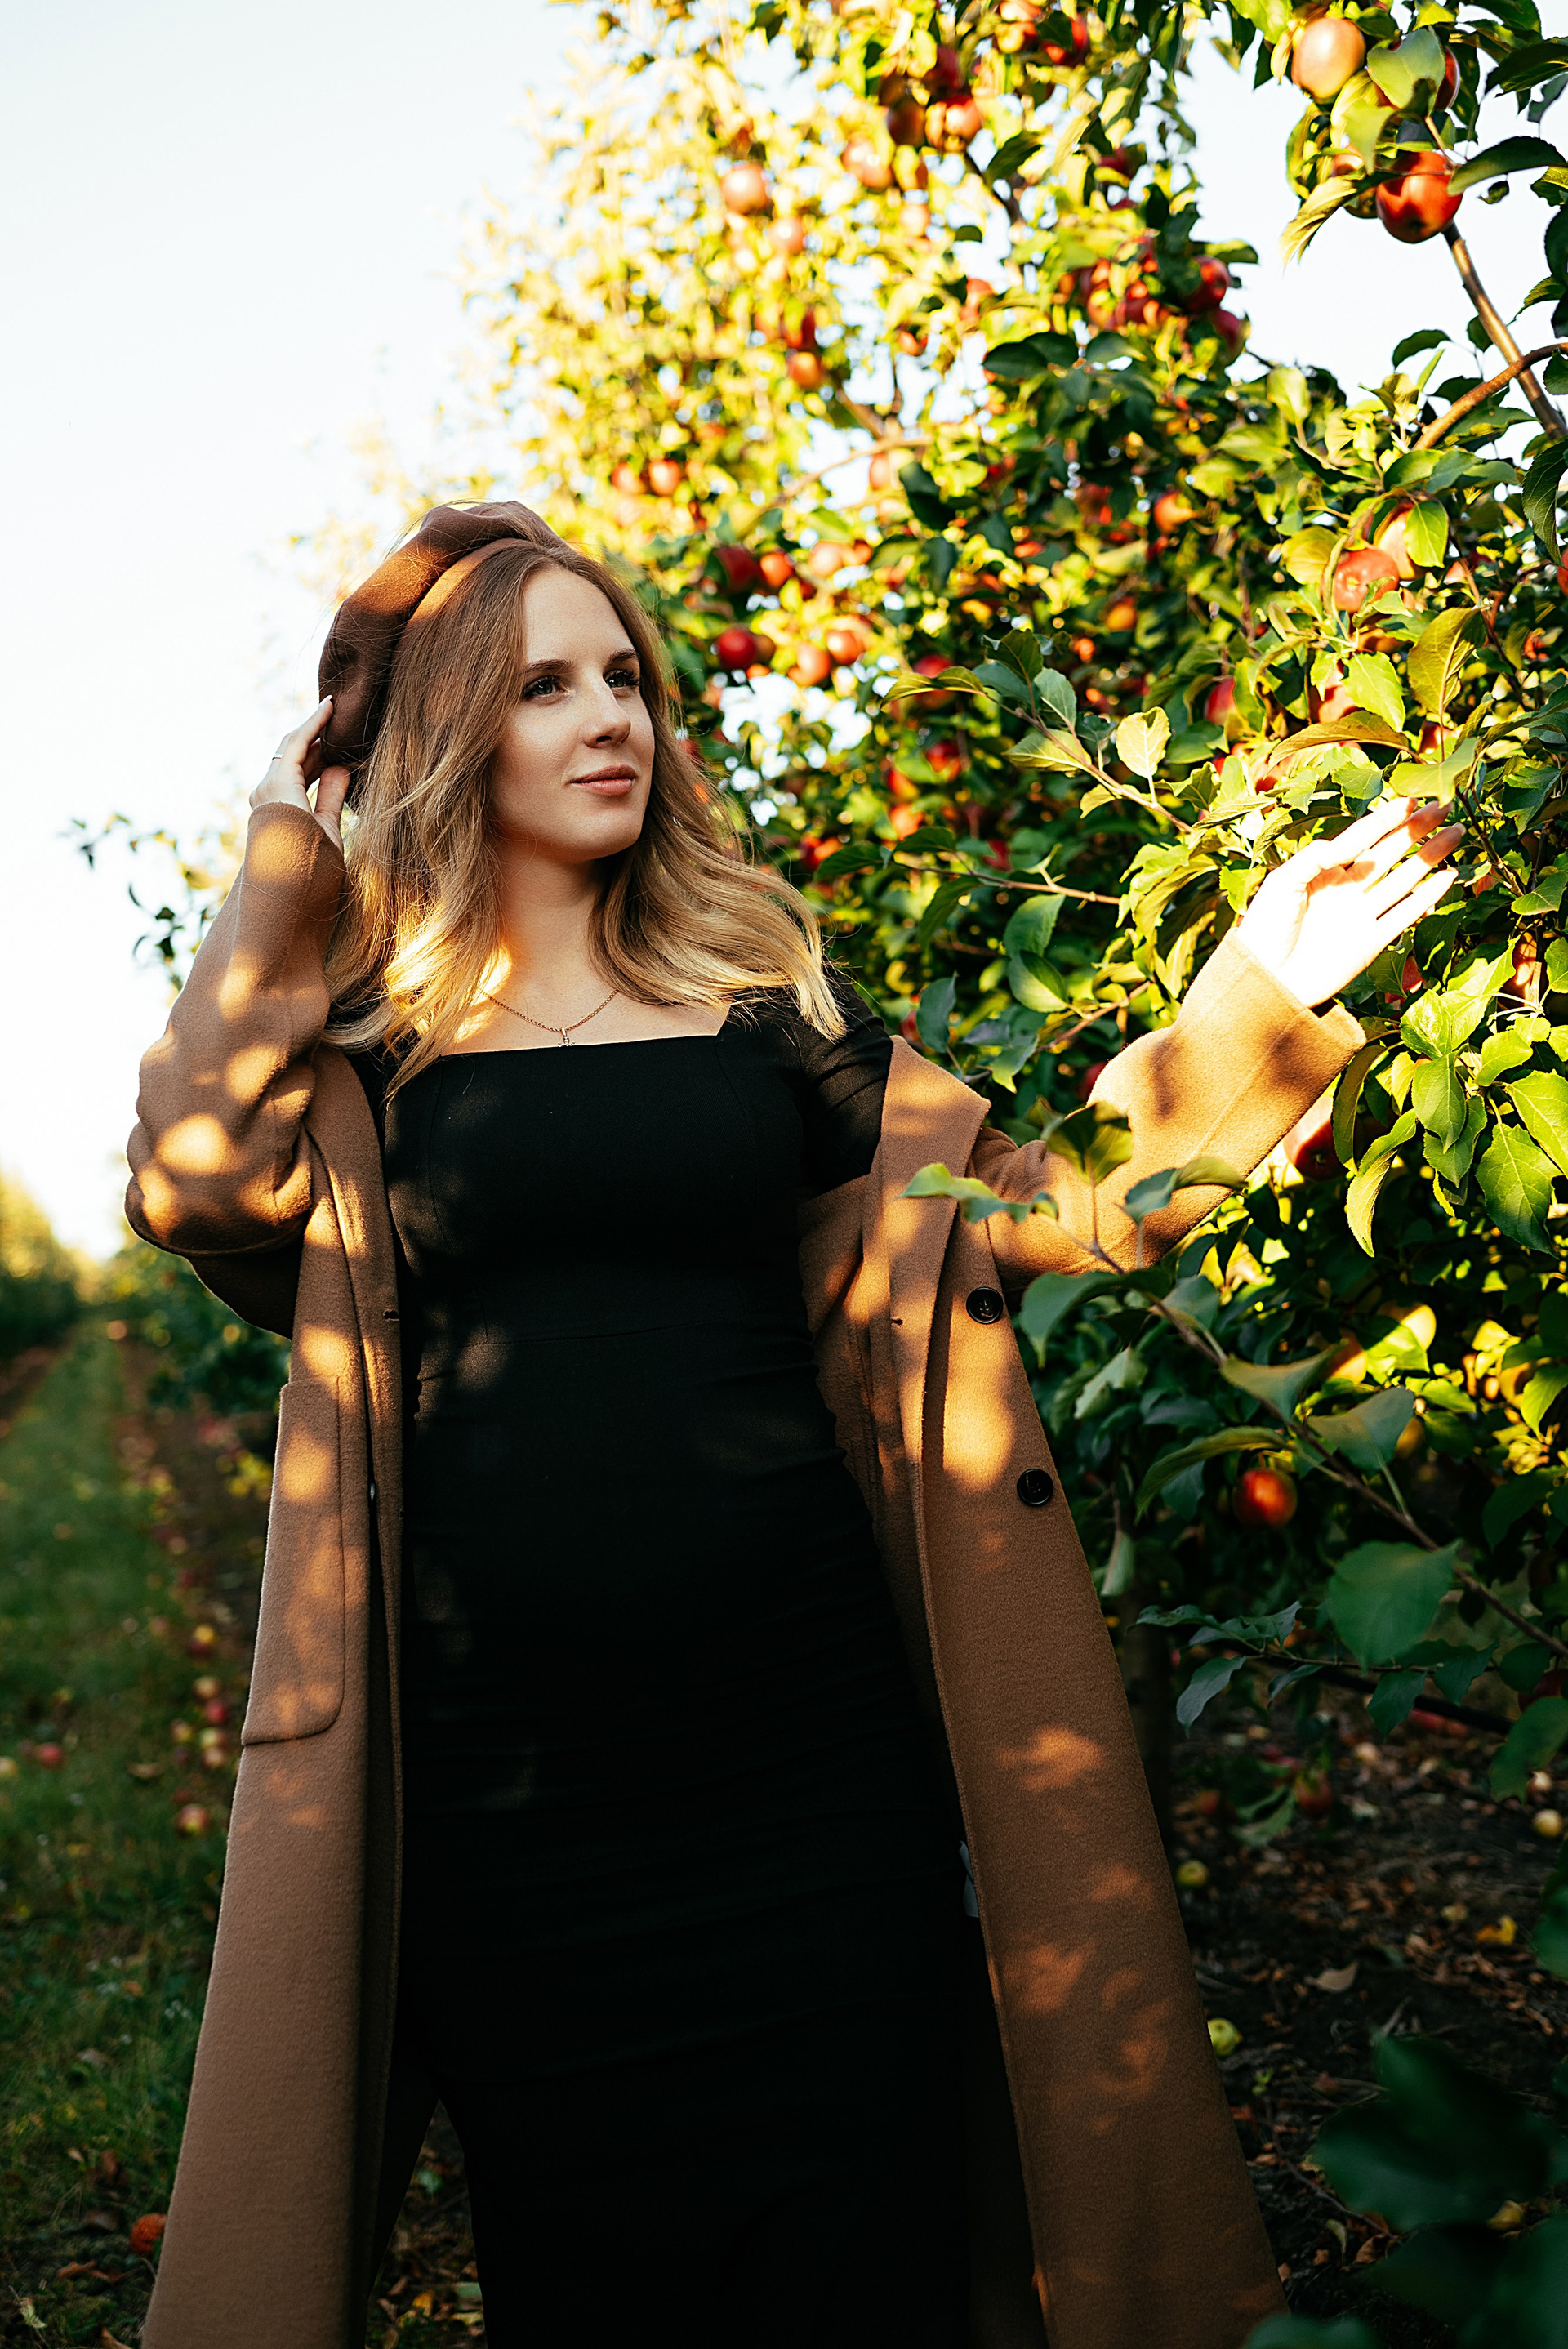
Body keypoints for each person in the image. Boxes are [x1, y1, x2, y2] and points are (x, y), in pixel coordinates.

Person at [125, 501, 1459, 2349]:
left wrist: (1260, 983)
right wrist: (288, 857)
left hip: (811, 1768)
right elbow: (193, 1185)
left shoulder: (761, 1012)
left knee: (864, 2264)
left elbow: (1054, 1201)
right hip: (512, 1803)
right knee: (598, 2283)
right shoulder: (362, 1061)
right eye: (541, 686)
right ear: (441, 733)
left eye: (624, 677)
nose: (610, 715)